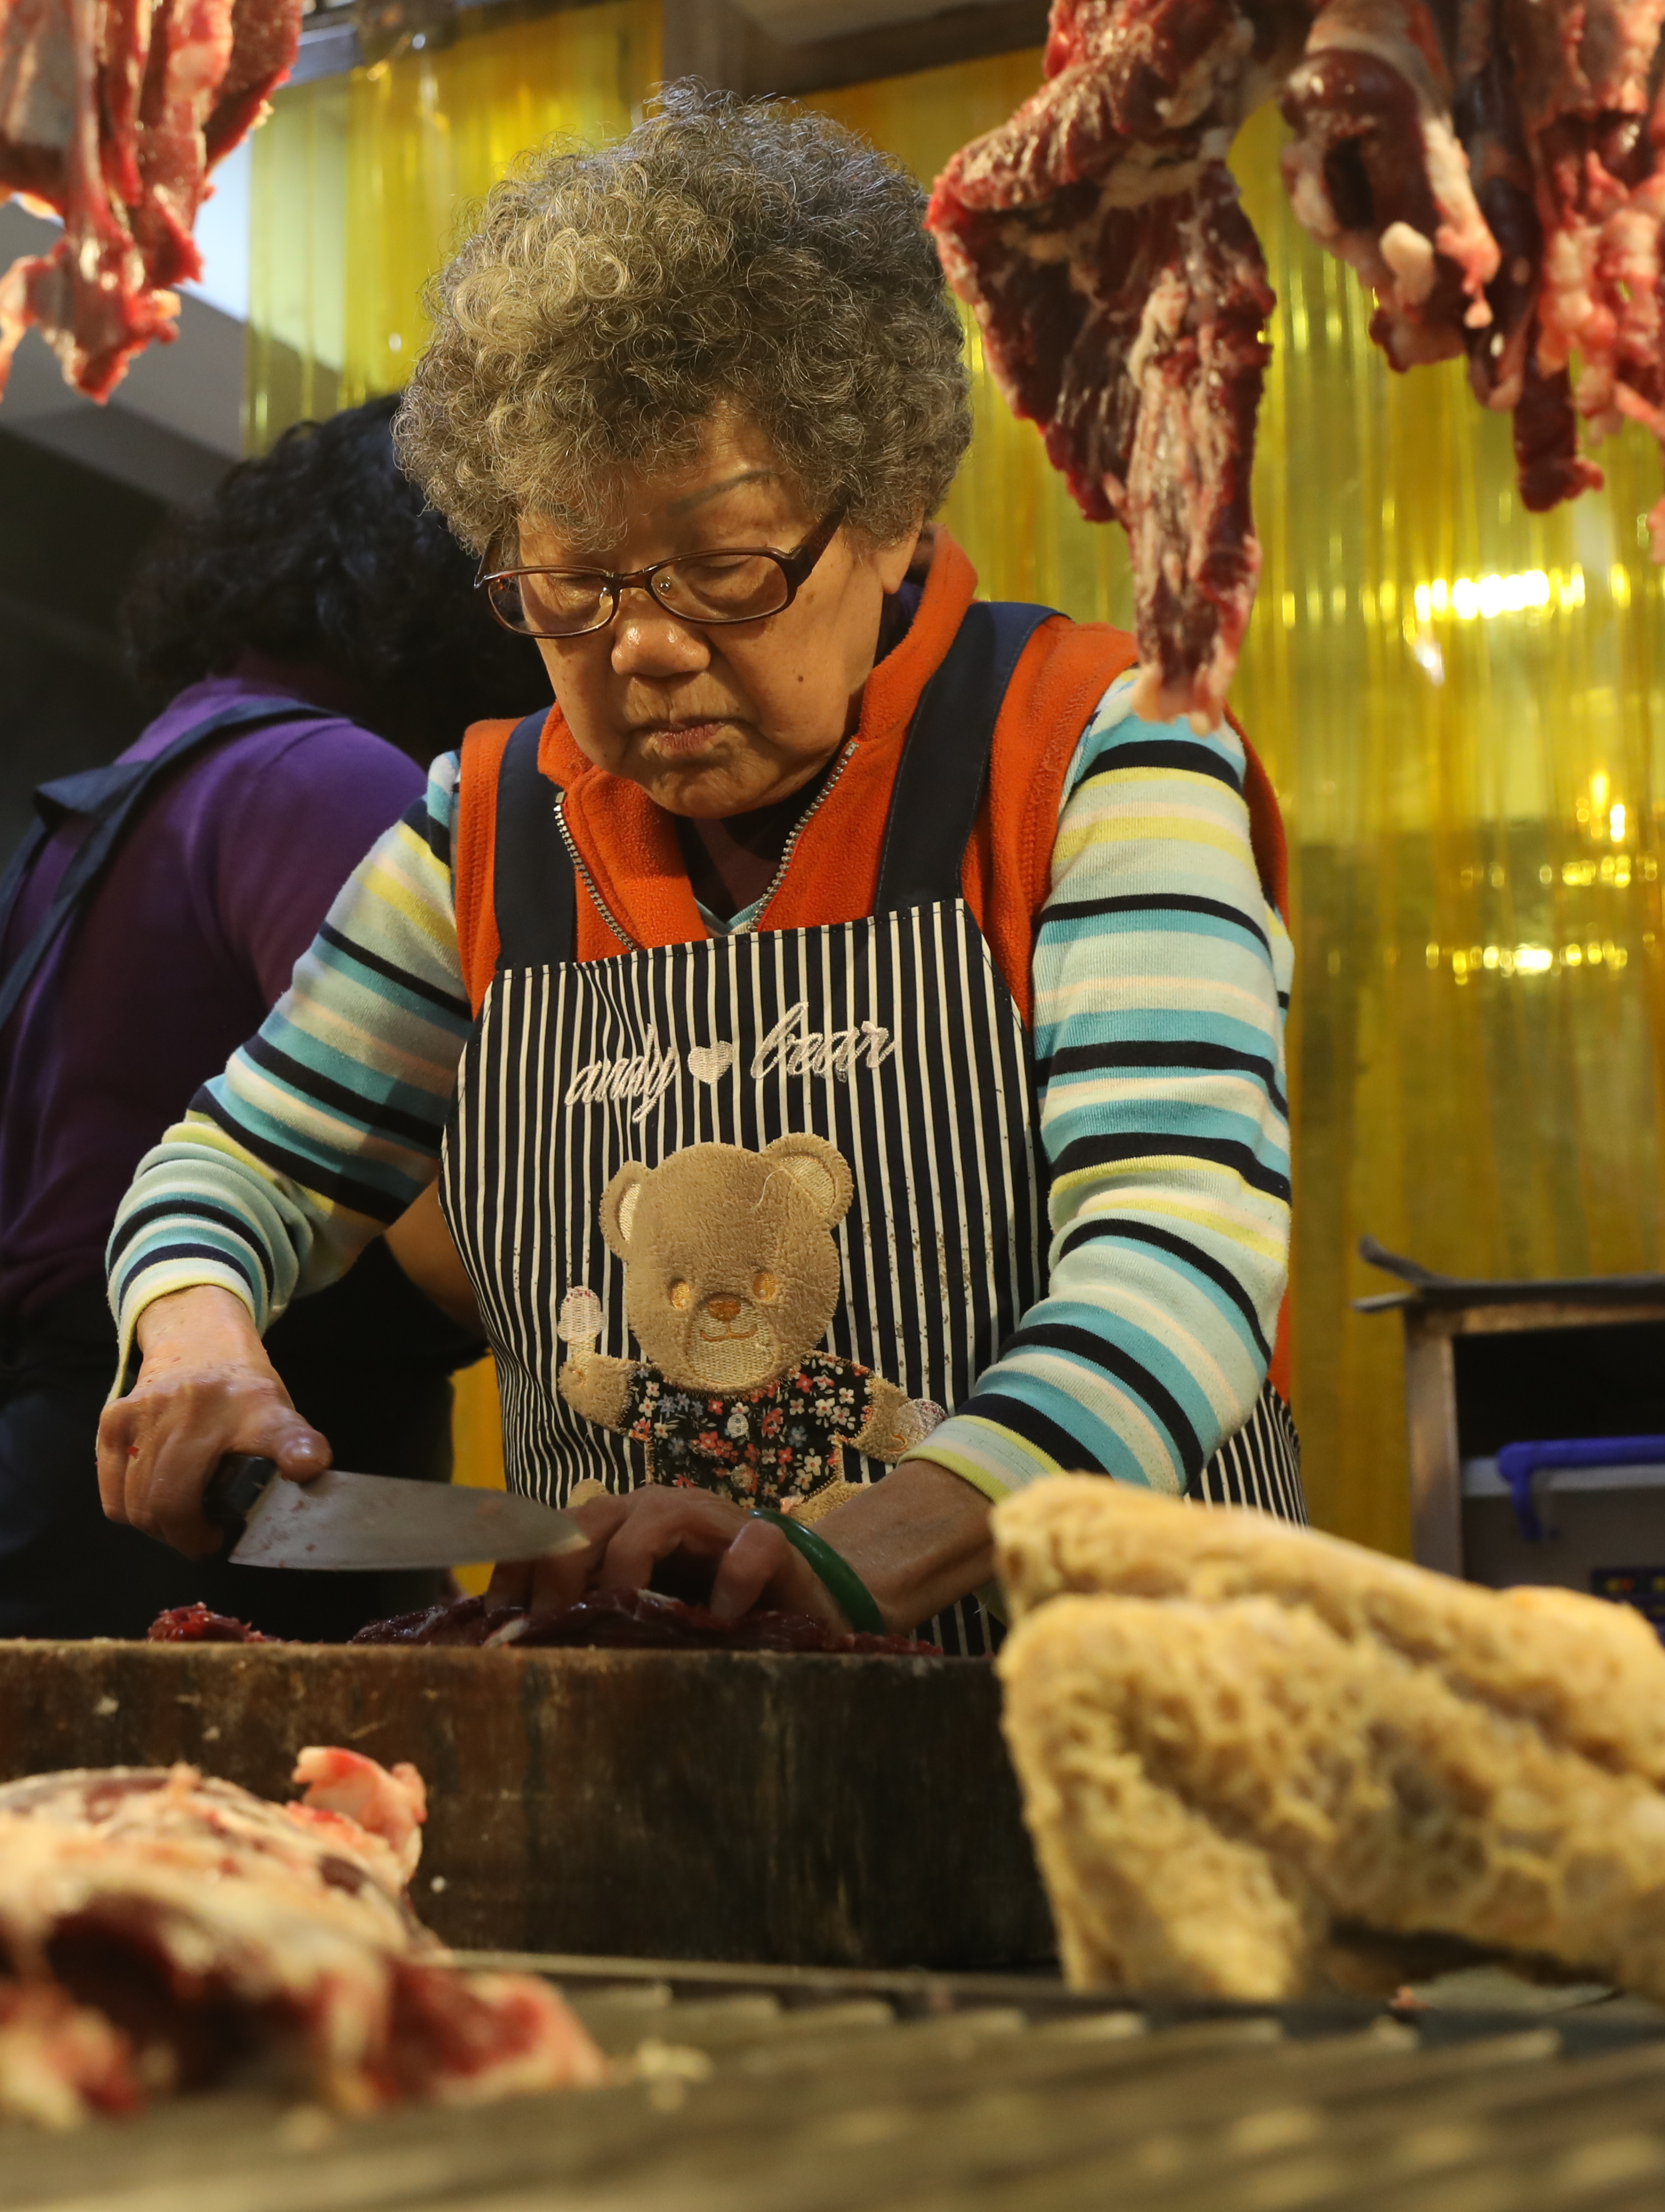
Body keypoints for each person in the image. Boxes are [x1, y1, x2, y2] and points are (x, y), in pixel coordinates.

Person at [94, 90, 1302, 1650]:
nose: (647, 650)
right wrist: (192, 1333)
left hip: (1112, 1741)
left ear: (885, 516)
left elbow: (1178, 1256)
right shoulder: (486, 823)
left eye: (726, 572)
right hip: (658, 1755)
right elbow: (234, 1166)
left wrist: (863, 1551)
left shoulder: (1097, 752)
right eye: (574, 585)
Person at [0, 396, 550, 1638]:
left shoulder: (102, 809)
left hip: (23, 1529)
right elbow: (449, 1245)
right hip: (242, 1556)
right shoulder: (336, 780)